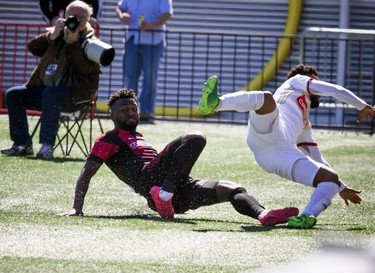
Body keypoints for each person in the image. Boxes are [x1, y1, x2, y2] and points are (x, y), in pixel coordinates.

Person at [60, 88, 299, 226]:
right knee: (195, 136)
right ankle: (164, 194)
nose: (131, 113)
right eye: (124, 110)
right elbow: (86, 174)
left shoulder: (138, 136)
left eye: (133, 109)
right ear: (112, 114)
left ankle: (263, 214)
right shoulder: (108, 139)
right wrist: (76, 208)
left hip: (174, 196)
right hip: (151, 182)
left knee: (233, 189)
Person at [198, 64, 375, 229]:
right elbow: (334, 90)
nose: (317, 85)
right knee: (266, 99)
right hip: (268, 133)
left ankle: (306, 217)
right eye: (314, 80)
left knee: (330, 178)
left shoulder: (304, 125)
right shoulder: (296, 81)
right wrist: (361, 105)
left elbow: (317, 159)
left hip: (278, 156)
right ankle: (216, 103)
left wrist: (341, 187)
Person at [1, 0, 101, 159]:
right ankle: (21, 144)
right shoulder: (57, 34)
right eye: (71, 16)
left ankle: (47, 146)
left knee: (51, 94)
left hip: (76, 97)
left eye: (80, 17)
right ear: (64, 16)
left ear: (88, 19)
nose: (75, 19)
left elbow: (85, 69)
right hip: (49, 92)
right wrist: (52, 35)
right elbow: (32, 48)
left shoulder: (93, 44)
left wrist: (74, 42)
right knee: (13, 94)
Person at [116, 0, 173, 122]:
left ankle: (146, 111)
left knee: (150, 77)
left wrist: (153, 25)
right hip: (132, 39)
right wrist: (122, 16)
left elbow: (167, 14)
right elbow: (120, 8)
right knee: (130, 76)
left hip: (154, 41)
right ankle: (129, 110)